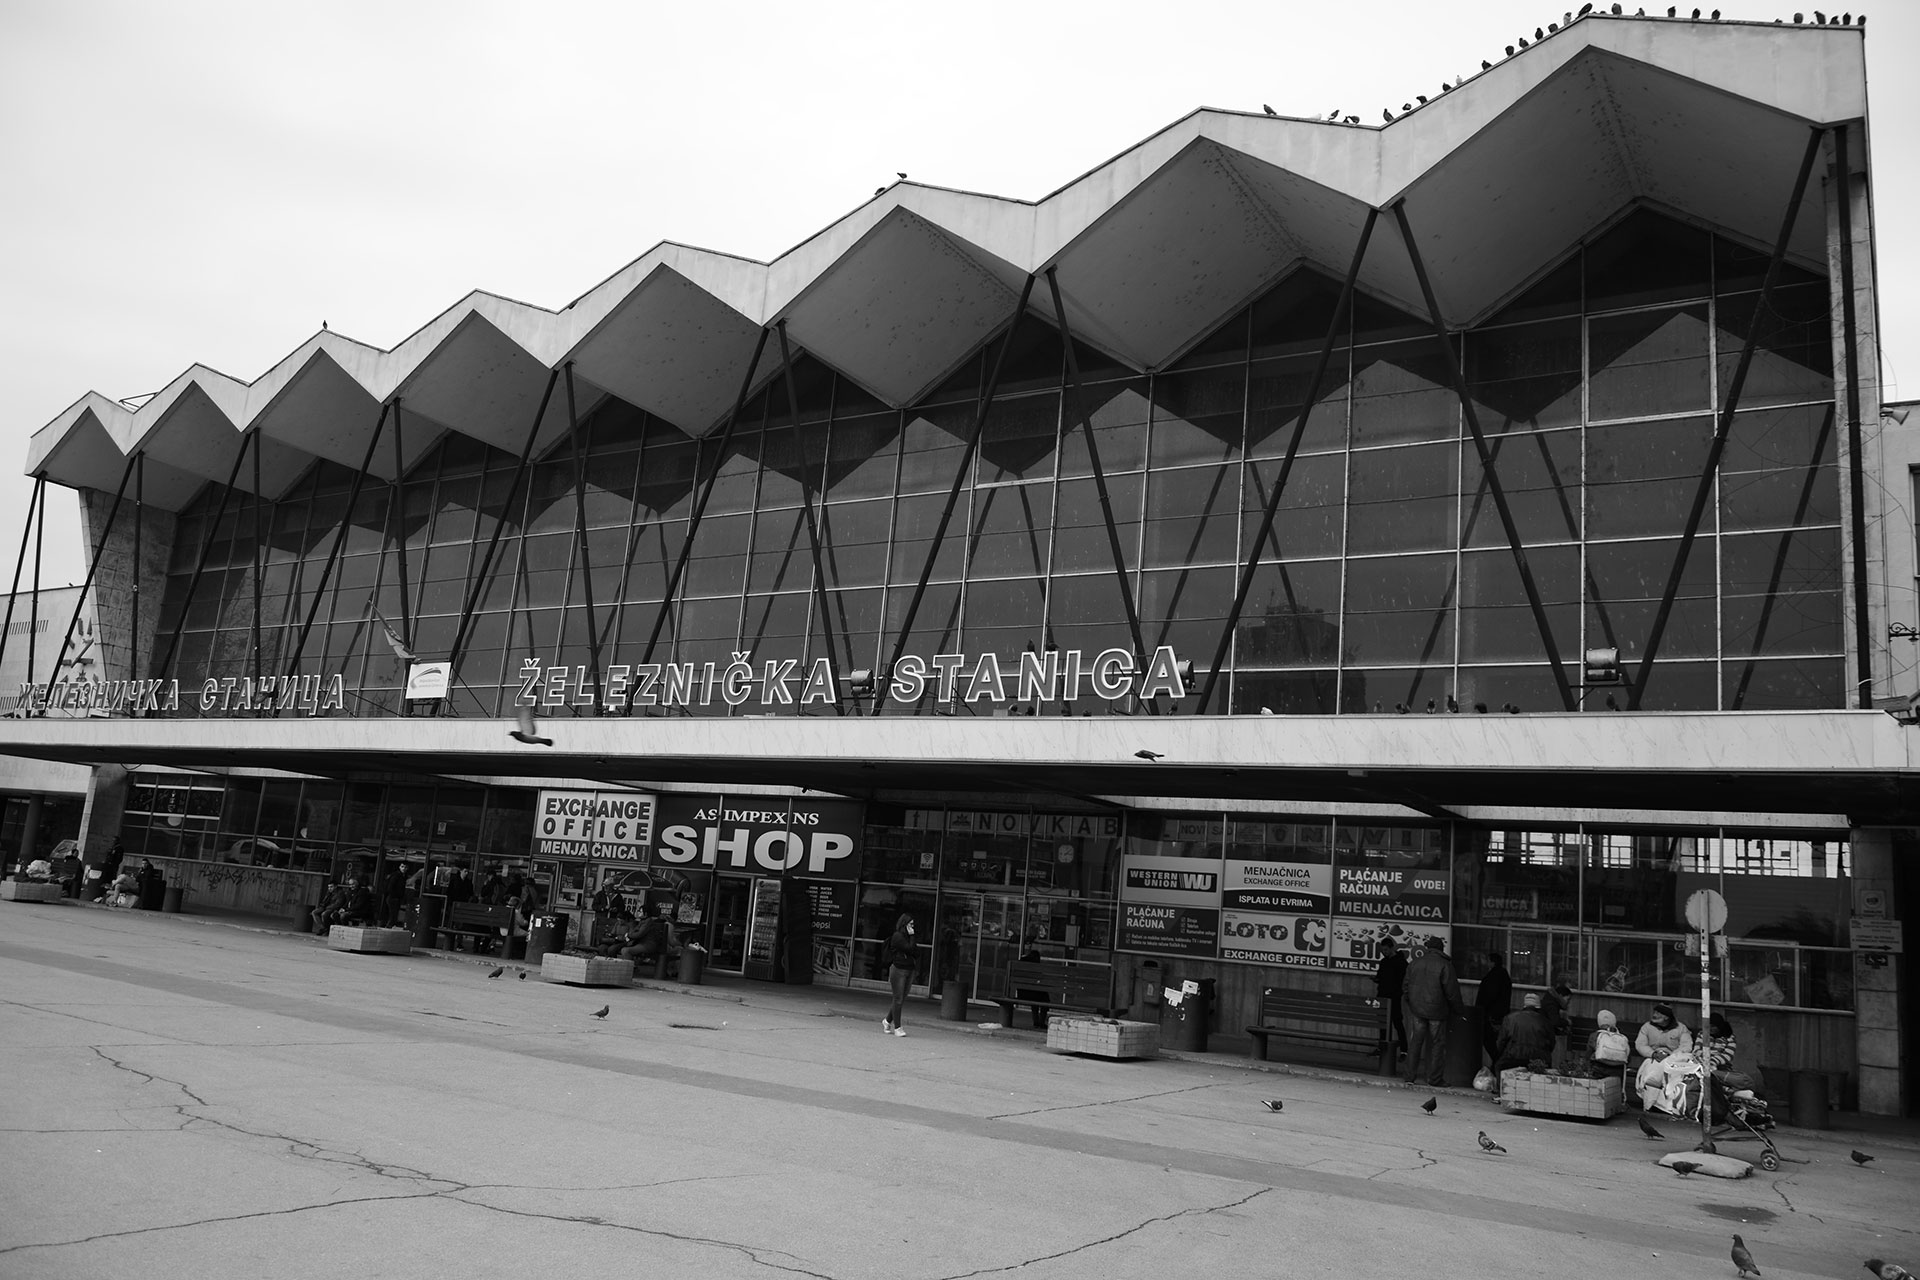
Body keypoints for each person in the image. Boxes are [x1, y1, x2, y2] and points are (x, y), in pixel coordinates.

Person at [1401, 937, 1464, 1088]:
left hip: (1417, 1011)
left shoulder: (1415, 963)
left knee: (1415, 1042)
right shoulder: (1445, 966)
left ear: (1428, 948)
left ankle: (1409, 1076)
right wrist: (1458, 1011)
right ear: (1441, 949)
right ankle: (1434, 1079)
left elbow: (1405, 987)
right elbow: (1452, 993)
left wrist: (1412, 1003)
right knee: (1437, 1045)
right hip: (1437, 1011)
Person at [1488, 992, 1557, 1096]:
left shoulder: (1510, 1018)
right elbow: (1552, 1043)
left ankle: (1502, 1094)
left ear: (1524, 1005)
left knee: (1499, 1066)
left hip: (1513, 1056)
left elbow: (1501, 1041)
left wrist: (1500, 1055)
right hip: (1540, 1059)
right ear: (1538, 1007)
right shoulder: (1546, 1021)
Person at [1634, 1002, 1695, 1110]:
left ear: (1666, 1017)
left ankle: (1667, 1107)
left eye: (1659, 1013)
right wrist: (1652, 1053)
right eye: (1655, 1012)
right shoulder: (1647, 1027)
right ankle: (1650, 1104)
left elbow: (1686, 1046)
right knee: (1652, 1072)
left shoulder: (1681, 1028)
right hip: (1652, 1058)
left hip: (1673, 1061)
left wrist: (1671, 1056)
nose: (1655, 1015)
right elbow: (1640, 1045)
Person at [1373, 937, 1408, 1067]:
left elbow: (1404, 980)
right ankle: (1382, 1047)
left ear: (1392, 948)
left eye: (1386, 950)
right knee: (1383, 1022)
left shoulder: (1400, 962)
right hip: (1383, 995)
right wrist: (1377, 980)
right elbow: (1381, 976)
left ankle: (1404, 1049)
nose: (1384, 952)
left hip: (1394, 996)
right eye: (1382, 950)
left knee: (1397, 1022)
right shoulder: (1384, 962)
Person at [1475, 952, 1513, 1066]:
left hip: (1491, 1014)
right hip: (1498, 1014)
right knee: (1495, 1041)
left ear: (1492, 962)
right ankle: (1497, 1064)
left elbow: (1489, 995)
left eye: (1488, 960)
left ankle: (1498, 1063)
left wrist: (1482, 1008)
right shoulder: (1503, 975)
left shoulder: (1495, 976)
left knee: (1490, 1041)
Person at [882, 913, 916, 1037]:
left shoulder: (909, 936)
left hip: (909, 969)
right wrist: (912, 937)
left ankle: (887, 1021)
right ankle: (898, 1027)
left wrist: (912, 936)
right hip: (899, 969)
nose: (913, 927)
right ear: (904, 924)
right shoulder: (897, 936)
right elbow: (909, 949)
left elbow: (915, 950)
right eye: (911, 924)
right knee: (898, 998)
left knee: (901, 998)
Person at [1585, 1009, 1633, 1078]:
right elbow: (1628, 1059)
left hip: (1599, 1070)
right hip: (1618, 1071)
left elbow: (1588, 1055)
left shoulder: (1594, 1035)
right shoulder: (1621, 1038)